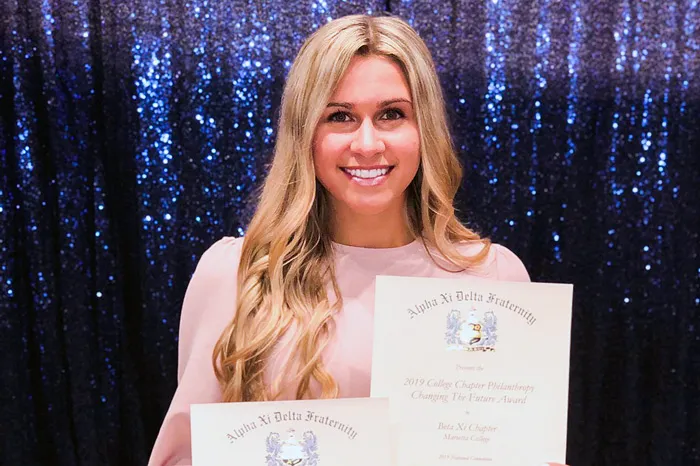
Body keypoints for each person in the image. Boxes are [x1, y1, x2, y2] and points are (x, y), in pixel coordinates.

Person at [148, 13, 568, 466]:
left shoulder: (495, 279)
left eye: (392, 114)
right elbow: (184, 457)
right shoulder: (236, 274)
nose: (367, 144)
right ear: (304, 135)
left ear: (424, 128)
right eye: (340, 116)